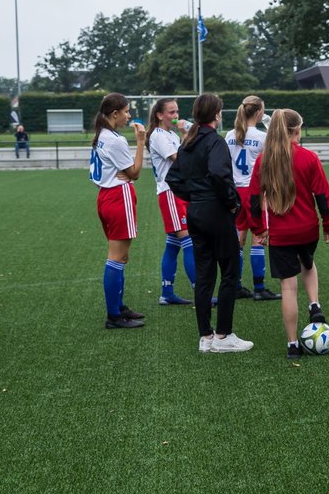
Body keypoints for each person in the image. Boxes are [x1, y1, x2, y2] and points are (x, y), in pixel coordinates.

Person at [169, 93, 253, 353]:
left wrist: (193, 196)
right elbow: (218, 174)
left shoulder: (188, 142)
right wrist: (230, 202)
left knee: (205, 275)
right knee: (229, 272)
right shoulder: (214, 142)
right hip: (215, 211)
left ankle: (205, 336)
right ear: (216, 114)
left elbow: (173, 178)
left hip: (196, 212)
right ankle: (223, 335)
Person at [249, 108, 329, 360]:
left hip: (280, 233)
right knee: (308, 262)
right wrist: (328, 225)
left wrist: (259, 229)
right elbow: (323, 196)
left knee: (288, 287)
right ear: (297, 130)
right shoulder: (308, 157)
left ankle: (292, 344)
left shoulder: (264, 159)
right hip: (308, 229)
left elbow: (253, 200)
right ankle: (314, 304)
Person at [88, 93, 148, 330]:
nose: (129, 115)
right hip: (118, 197)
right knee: (116, 257)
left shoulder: (101, 136)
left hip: (105, 196)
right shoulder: (115, 140)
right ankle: (113, 315)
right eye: (126, 111)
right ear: (115, 114)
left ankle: (119, 306)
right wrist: (141, 141)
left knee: (121, 256)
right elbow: (134, 173)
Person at [226, 96, 279, 301]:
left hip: (234, 193)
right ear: (258, 113)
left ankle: (237, 285)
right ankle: (259, 288)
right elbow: (269, 168)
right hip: (254, 192)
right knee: (259, 238)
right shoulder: (262, 137)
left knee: (238, 239)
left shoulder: (229, 135)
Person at [147, 97, 196, 306]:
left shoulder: (170, 134)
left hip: (178, 192)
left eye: (177, 111)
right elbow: (180, 159)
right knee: (189, 242)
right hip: (170, 192)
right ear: (160, 115)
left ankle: (166, 293)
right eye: (171, 112)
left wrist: (184, 135)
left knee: (173, 245)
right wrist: (187, 135)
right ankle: (199, 290)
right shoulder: (158, 136)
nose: (176, 116)